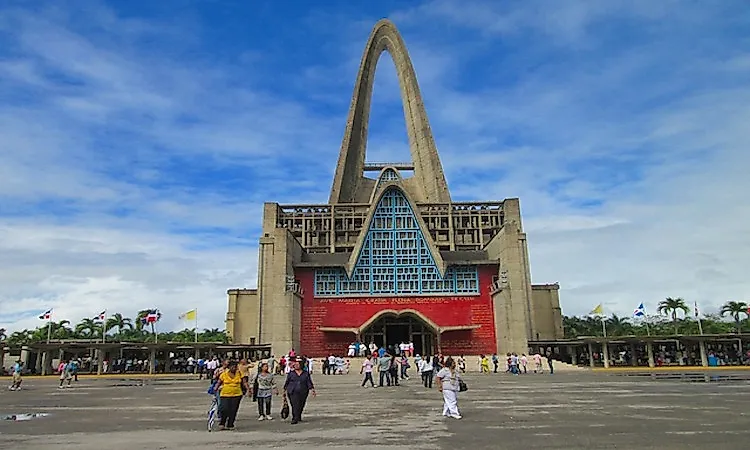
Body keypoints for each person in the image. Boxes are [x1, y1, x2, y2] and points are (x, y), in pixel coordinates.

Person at [215, 359, 248, 430]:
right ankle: (222, 422)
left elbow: (244, 382)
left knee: (233, 410)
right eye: (232, 367)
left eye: (235, 367)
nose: (233, 368)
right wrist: (215, 388)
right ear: (229, 367)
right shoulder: (224, 374)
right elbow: (219, 382)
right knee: (224, 409)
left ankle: (230, 424)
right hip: (225, 394)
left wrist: (249, 389)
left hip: (237, 394)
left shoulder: (239, 373)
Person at [283, 358, 316, 424]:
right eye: (295, 364)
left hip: (303, 391)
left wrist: (312, 389)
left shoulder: (305, 373)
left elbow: (309, 382)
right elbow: (287, 382)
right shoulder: (291, 373)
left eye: (297, 364)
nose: (296, 366)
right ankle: (294, 418)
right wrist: (284, 390)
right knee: (294, 404)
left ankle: (298, 415)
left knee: (301, 404)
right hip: (292, 391)